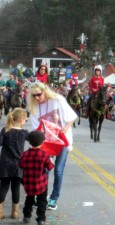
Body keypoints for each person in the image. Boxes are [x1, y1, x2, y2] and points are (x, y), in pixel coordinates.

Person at [26, 82, 77, 210]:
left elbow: (72, 117)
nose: (37, 97)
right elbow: (35, 128)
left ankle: (54, 199)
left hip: (62, 140)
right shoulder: (34, 107)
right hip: (46, 142)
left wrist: (65, 128)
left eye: (39, 94)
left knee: (58, 171)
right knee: (45, 170)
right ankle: (42, 197)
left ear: (45, 91)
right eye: (34, 95)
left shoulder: (57, 100)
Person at [19, 130, 54, 225]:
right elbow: (50, 167)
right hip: (41, 183)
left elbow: (21, 165)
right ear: (43, 142)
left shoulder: (25, 154)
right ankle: (40, 219)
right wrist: (51, 160)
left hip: (28, 183)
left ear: (29, 142)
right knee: (42, 201)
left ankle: (26, 216)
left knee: (29, 199)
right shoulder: (44, 154)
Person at [0, 108, 28, 220]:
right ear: (21, 120)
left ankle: (0, 212)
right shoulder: (24, 133)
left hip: (5, 164)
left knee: (3, 187)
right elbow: (36, 140)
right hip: (18, 164)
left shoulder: (5, 130)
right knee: (15, 189)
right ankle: (15, 212)